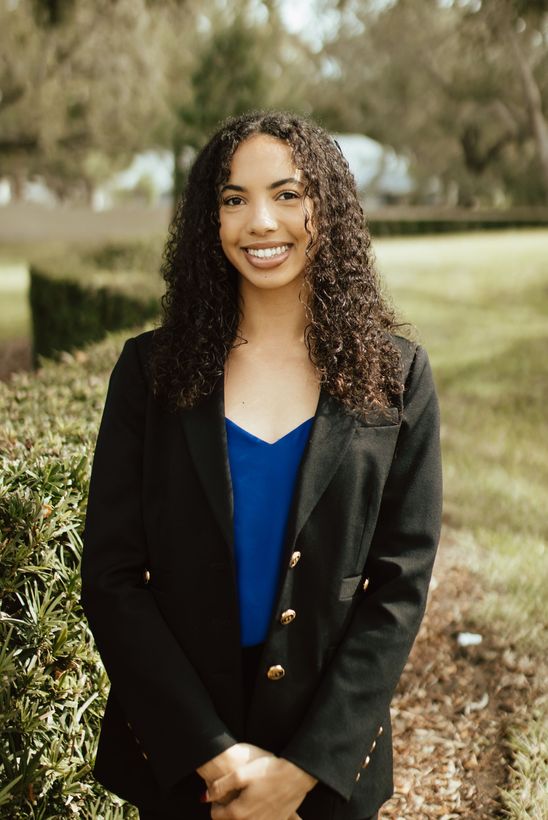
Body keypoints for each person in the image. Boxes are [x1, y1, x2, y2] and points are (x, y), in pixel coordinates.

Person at [81, 110, 442, 820]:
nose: (260, 222)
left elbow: (400, 587)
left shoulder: (395, 378)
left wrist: (306, 770)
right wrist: (210, 750)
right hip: (181, 757)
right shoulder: (150, 374)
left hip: (328, 757)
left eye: (287, 194)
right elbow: (113, 577)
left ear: (326, 208)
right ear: (208, 221)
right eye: (233, 199)